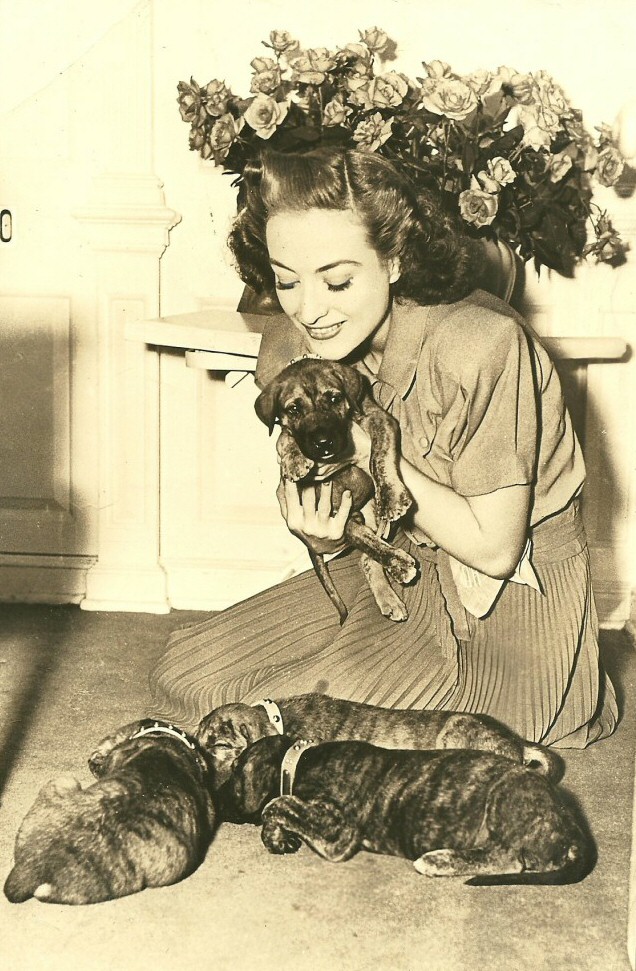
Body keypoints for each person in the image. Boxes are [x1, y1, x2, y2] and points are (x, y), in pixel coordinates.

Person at [148, 146, 618, 749]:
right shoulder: (294, 346)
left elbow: (496, 551)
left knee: (294, 728)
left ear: (394, 259)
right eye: (287, 281)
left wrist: (371, 447)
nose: (308, 309)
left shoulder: (482, 346)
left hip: (509, 595)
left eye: (338, 280)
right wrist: (324, 532)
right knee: (185, 677)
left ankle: (561, 685)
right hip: (399, 567)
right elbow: (332, 490)